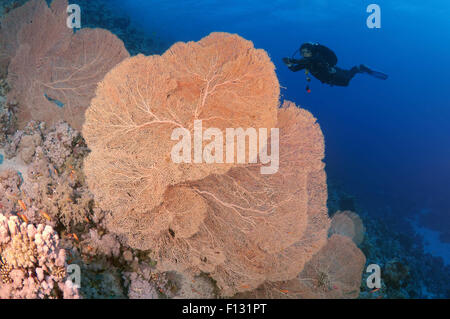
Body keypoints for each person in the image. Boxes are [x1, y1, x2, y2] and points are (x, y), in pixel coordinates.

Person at [283, 42, 388, 88]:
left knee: (347, 80)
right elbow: (294, 69)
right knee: (348, 75)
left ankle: (360, 68)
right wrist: (288, 64)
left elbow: (306, 61)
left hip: (332, 74)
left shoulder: (316, 57)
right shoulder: (305, 62)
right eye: (302, 53)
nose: (303, 54)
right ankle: (359, 68)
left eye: (305, 52)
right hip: (330, 77)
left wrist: (293, 61)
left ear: (311, 51)